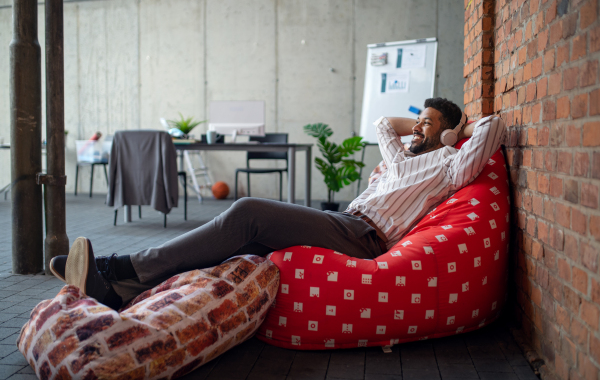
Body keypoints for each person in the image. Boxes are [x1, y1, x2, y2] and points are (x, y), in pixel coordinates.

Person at [50, 98, 506, 310]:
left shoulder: (448, 165)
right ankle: (127, 287)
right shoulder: (403, 153)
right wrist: (421, 126)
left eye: (428, 123)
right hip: (342, 220)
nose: (419, 129)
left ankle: (120, 269)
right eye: (420, 121)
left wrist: (453, 133)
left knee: (248, 212)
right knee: (241, 234)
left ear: (448, 132)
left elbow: (494, 128)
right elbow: (383, 124)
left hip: (365, 237)